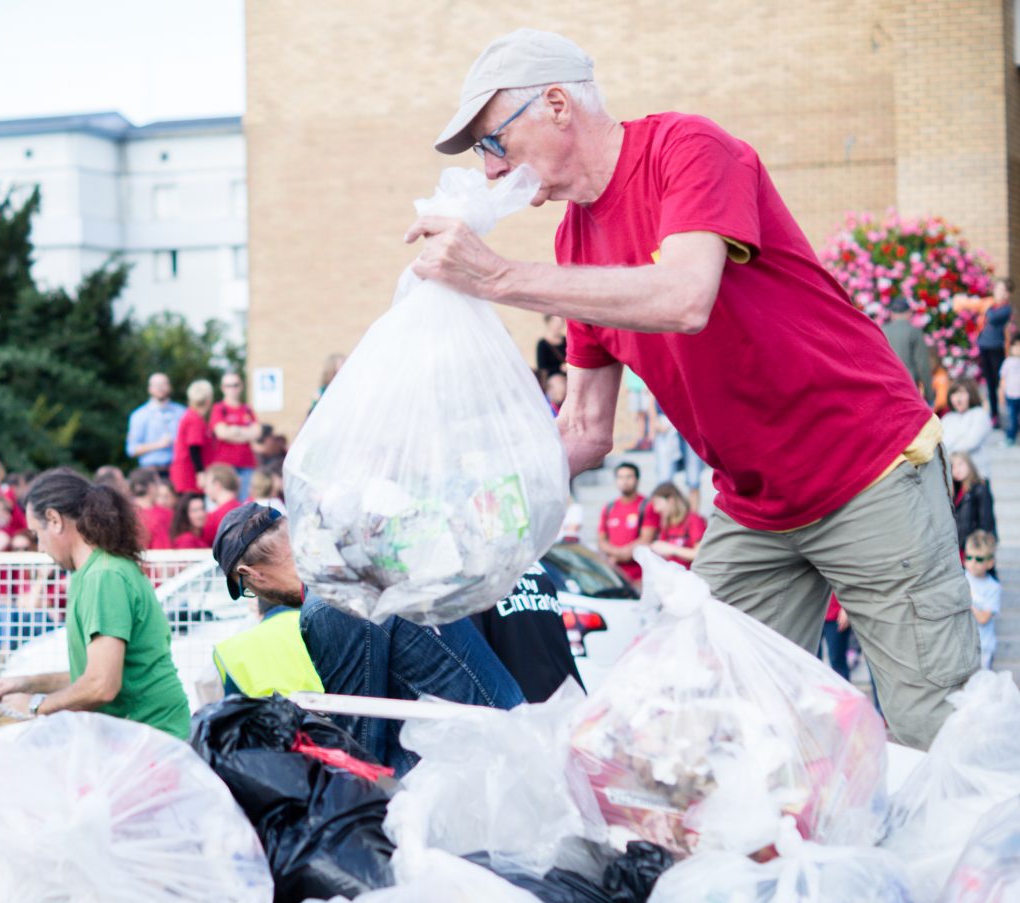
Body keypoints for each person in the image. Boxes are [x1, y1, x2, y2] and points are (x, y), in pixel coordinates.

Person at [410, 28, 977, 748]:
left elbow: (685, 296)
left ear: (555, 104)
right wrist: (469, 508)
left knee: (936, 725)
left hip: (867, 469)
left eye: (494, 144)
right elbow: (583, 428)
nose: (492, 173)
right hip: (758, 506)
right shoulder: (574, 244)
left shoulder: (687, 148)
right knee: (706, 728)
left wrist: (494, 276)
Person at [209, 503, 524, 772]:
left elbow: (362, 746)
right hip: (499, 739)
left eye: (247, 588)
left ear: (252, 574)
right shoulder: (361, 565)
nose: (259, 596)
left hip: (475, 765)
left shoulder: (330, 604)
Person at [0, 469, 191, 738]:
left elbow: (102, 685)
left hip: (152, 737)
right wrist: (26, 683)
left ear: (54, 520)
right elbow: (91, 675)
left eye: (37, 535)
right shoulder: (96, 571)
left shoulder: (103, 577)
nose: (41, 548)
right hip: (143, 736)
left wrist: (35, 706)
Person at [468, 560, 583, 702]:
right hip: (565, 698)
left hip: (525, 707)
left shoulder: (474, 586)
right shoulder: (538, 573)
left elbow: (475, 664)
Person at [597, 462, 656, 585]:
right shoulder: (609, 507)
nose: (625, 481)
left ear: (637, 480)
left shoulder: (647, 506)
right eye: (621, 477)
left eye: (629, 477)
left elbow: (646, 539)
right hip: (614, 576)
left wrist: (619, 555)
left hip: (639, 576)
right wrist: (618, 554)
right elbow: (601, 540)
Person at [209, 372, 262, 494]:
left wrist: (234, 430)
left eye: (235, 385)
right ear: (223, 388)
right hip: (225, 466)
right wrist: (245, 433)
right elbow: (222, 433)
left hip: (246, 464)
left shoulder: (247, 409)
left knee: (244, 503)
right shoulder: (219, 408)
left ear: (241, 386)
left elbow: (257, 432)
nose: (232, 389)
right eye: (228, 385)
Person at [125, 372, 186, 474]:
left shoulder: (182, 412)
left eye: (163, 384)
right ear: (150, 389)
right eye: (156, 385)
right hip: (150, 472)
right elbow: (132, 450)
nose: (160, 388)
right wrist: (158, 444)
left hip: (178, 470)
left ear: (170, 387)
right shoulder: (139, 415)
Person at [650, 402, 705, 513]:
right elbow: (651, 398)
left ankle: (693, 518)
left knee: (693, 479)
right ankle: (667, 520)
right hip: (666, 423)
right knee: (664, 480)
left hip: (690, 422)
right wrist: (655, 421)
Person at [880, 296, 933, 406]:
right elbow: (922, 365)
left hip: (886, 387)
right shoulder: (914, 332)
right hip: (909, 386)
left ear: (892, 313)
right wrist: (929, 394)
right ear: (909, 312)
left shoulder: (882, 331)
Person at [169, 379, 215, 495]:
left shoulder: (191, 416)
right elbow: (194, 447)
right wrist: (200, 473)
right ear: (209, 399)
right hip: (189, 476)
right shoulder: (195, 419)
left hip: (186, 473)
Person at [646, 482, 706, 569]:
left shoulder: (694, 520)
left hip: (692, 577)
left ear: (671, 500)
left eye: (658, 503)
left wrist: (671, 549)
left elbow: (700, 554)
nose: (656, 509)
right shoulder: (666, 523)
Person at [964, 530, 1000, 670]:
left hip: (983, 646)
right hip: (963, 644)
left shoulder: (993, 587)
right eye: (969, 557)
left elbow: (984, 618)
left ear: (990, 563)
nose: (972, 562)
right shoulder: (962, 578)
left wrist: (967, 602)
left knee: (980, 686)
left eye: (979, 559)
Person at [977, 278, 1012, 425]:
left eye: (1003, 290)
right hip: (984, 346)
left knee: (1001, 382)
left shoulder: (1005, 309)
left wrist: (986, 305)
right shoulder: (991, 305)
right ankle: (994, 414)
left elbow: (991, 317)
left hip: (996, 349)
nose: (1000, 293)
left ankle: (1011, 413)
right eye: (998, 289)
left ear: (1008, 294)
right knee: (990, 383)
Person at [941, 378, 991, 478]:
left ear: (971, 394)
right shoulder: (947, 418)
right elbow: (941, 444)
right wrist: (960, 438)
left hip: (977, 476)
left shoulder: (979, 414)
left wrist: (950, 449)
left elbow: (971, 442)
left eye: (962, 393)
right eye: (954, 394)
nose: (958, 399)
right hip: (953, 477)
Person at [951, 451, 996, 552]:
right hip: (960, 546)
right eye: (952, 466)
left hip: (975, 548)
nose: (957, 469)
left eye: (960, 464)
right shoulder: (956, 490)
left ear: (969, 464)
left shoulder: (980, 487)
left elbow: (986, 521)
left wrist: (979, 545)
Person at [128, 468, 174, 550]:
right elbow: (163, 552)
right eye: (157, 484)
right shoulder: (163, 515)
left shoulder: (125, 512)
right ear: (151, 487)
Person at [200, 463, 242, 546]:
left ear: (217, 485)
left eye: (206, 485)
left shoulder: (213, 517)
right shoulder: (246, 509)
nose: (205, 491)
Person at [998, 339, 1020, 445]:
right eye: (1015, 346)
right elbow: (1003, 379)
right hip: (1011, 395)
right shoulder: (1008, 362)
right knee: (1011, 418)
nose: (1017, 349)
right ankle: (1010, 438)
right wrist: (1001, 394)